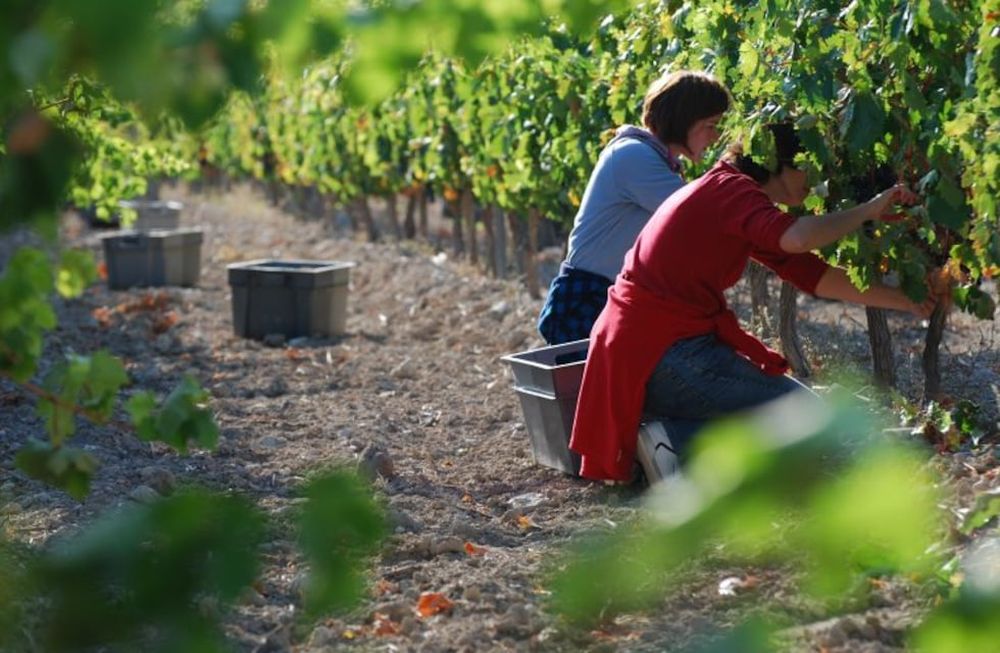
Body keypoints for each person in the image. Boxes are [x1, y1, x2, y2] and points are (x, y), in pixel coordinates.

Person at [569, 123, 941, 482]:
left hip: (647, 352)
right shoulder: (731, 191)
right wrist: (868, 210)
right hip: (664, 354)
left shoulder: (732, 195)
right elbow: (796, 239)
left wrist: (908, 301)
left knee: (780, 413)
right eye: (806, 170)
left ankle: (671, 436)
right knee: (804, 417)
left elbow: (816, 277)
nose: (813, 183)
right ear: (779, 164)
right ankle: (680, 445)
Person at [536, 70, 731, 346]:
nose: (716, 136)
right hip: (589, 300)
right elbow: (699, 217)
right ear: (684, 120)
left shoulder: (654, 160)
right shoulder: (635, 157)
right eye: (710, 125)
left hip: (609, 296)